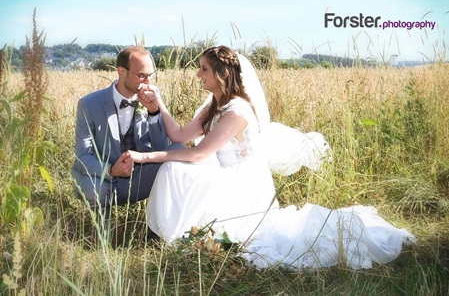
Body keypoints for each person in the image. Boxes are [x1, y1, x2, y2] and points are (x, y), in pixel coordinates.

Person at [127, 46, 415, 270]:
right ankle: (168, 235)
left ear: (222, 74)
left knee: (175, 168)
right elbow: (179, 135)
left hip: (241, 182)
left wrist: (144, 157)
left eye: (203, 69)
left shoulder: (236, 111)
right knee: (174, 169)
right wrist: (158, 103)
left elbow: (200, 152)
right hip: (222, 171)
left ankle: (174, 235)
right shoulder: (215, 104)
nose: (198, 74)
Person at [71, 46, 179, 228]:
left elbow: (163, 147)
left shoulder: (153, 95)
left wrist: (153, 112)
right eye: (142, 75)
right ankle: (102, 237)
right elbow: (82, 156)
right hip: (103, 179)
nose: (148, 82)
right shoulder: (89, 104)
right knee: (96, 188)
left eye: (151, 75)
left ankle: (160, 229)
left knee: (178, 153)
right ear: (122, 72)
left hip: (139, 176)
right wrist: (112, 170)